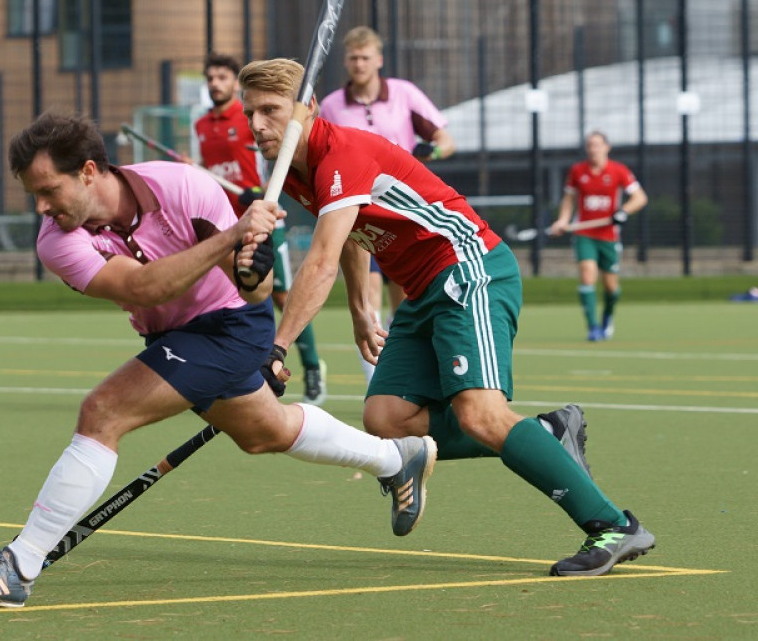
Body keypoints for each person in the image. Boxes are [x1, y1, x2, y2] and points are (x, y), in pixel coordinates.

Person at [0, 112, 435, 608]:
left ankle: (18, 566)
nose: (43, 207)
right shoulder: (57, 241)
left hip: (232, 323)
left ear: (89, 171)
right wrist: (229, 236)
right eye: (34, 196)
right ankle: (397, 458)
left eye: (49, 190)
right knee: (265, 433)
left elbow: (256, 288)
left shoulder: (182, 188)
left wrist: (250, 265)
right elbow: (142, 287)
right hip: (170, 332)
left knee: (104, 411)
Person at [238, 58, 655, 577]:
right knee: (387, 419)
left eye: (270, 111)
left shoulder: (340, 152)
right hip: (420, 290)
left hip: (468, 268)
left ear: (308, 108)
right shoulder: (296, 171)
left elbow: (319, 259)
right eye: (249, 112)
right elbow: (348, 237)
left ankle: (613, 525)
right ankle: (546, 433)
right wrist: (360, 309)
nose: (256, 125)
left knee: (480, 413)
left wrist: (276, 349)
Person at [319, 26, 456, 382]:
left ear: (378, 60)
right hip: (358, 211)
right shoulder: (332, 105)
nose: (359, 64)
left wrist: (434, 150)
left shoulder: (404, 94)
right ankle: (377, 381)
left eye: (366, 57)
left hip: (405, 210)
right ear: (346, 62)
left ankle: (406, 371)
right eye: (353, 57)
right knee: (367, 294)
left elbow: (445, 139)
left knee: (407, 297)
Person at [194, 52, 328, 405]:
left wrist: (261, 188)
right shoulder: (202, 125)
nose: (215, 84)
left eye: (222, 77)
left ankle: (312, 368)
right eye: (210, 78)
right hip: (224, 222)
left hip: (262, 214)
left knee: (281, 296)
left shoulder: (253, 116)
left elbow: (274, 157)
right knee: (223, 294)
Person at [550, 131, 648, 341]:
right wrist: (563, 220)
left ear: (607, 147)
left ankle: (607, 318)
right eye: (590, 146)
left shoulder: (618, 171)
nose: (593, 150)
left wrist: (624, 211)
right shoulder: (577, 171)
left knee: (611, 286)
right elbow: (569, 200)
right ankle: (592, 327)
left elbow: (640, 197)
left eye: (597, 145)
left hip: (609, 235)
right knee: (587, 273)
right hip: (583, 232)